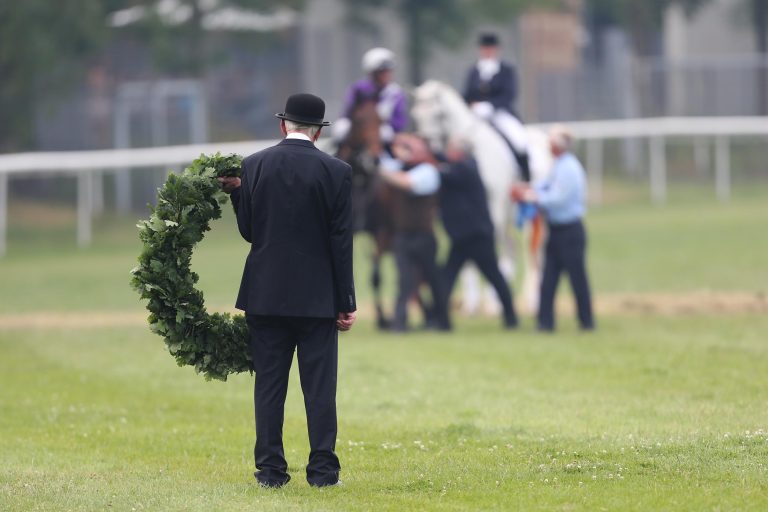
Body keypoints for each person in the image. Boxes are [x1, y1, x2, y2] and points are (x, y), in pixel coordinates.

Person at [218, 93, 357, 488]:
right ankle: (323, 471)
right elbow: (341, 242)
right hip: (317, 297)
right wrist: (345, 301)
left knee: (269, 386)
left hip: (265, 294)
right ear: (318, 132)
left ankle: (270, 470)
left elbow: (250, 231)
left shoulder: (254, 165)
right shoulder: (338, 171)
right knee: (319, 389)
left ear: (283, 125)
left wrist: (237, 193)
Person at [510, 124, 594, 332]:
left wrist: (533, 197)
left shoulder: (569, 168)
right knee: (548, 279)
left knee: (577, 280)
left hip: (570, 231)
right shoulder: (557, 166)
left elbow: (558, 198)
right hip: (555, 230)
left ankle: (586, 322)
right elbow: (545, 186)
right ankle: (545, 322)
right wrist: (528, 189)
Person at [438, 137, 519, 329]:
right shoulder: (465, 166)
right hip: (463, 237)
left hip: (476, 237)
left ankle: (511, 316)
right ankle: (440, 319)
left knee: (493, 276)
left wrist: (428, 161)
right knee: (447, 278)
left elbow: (446, 173)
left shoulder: (465, 168)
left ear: (459, 152)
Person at [378, 133, 450, 332]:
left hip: (424, 236)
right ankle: (399, 324)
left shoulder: (428, 171)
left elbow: (407, 182)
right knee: (404, 281)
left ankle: (442, 321)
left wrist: (380, 169)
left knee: (432, 280)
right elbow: (387, 165)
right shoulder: (400, 168)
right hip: (402, 236)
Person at [463, 32, 530, 182]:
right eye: (485, 48)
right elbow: (467, 95)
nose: (487, 51)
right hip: (476, 116)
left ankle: (525, 177)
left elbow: (509, 95)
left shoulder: (506, 70)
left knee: (519, 141)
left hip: (500, 114)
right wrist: (472, 106)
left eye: (490, 48)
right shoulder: (474, 71)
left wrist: (490, 106)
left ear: (496, 49)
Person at [332, 47, 408, 147]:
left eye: (388, 71)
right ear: (372, 73)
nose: (386, 74)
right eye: (381, 71)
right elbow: (348, 110)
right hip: (358, 125)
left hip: (384, 127)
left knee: (385, 134)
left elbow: (399, 120)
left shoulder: (395, 93)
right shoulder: (358, 88)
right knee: (340, 128)